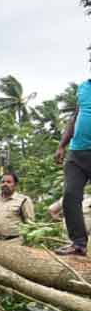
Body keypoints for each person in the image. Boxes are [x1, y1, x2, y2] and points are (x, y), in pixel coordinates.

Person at [55, 76, 91, 255]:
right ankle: (78, 243)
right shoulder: (84, 87)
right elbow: (75, 116)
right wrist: (62, 145)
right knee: (70, 196)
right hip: (77, 152)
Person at [0, 170, 34, 243]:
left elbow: (30, 224)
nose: (5, 184)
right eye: (3, 182)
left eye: (9, 182)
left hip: (14, 242)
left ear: (15, 185)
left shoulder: (24, 200)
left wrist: (29, 243)